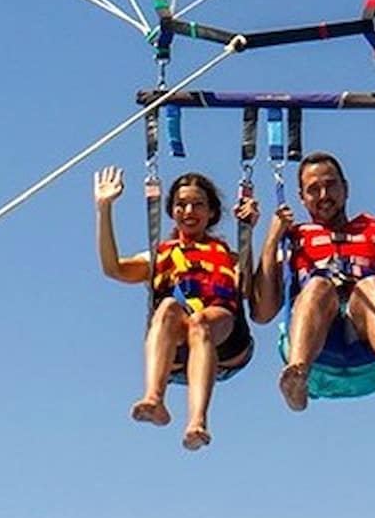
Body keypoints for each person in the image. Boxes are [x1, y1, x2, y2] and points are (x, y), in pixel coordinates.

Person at [250, 151, 375, 413]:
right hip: (317, 354)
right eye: (313, 190)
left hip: (369, 352)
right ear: (302, 198)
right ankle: (297, 376)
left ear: (345, 188)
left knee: (370, 285)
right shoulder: (295, 241)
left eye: (330, 185)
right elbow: (262, 313)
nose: (323, 195)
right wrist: (272, 240)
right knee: (318, 285)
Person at [93, 164, 257, 451]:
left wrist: (249, 235)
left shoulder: (229, 257)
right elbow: (113, 268)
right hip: (177, 346)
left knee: (201, 322)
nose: (189, 211)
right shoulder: (158, 256)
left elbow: (249, 292)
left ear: (211, 213)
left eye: (197, 204)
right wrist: (104, 209)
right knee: (168, 305)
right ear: (171, 211)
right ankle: (155, 398)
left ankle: (197, 421)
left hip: (226, 340)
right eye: (181, 204)